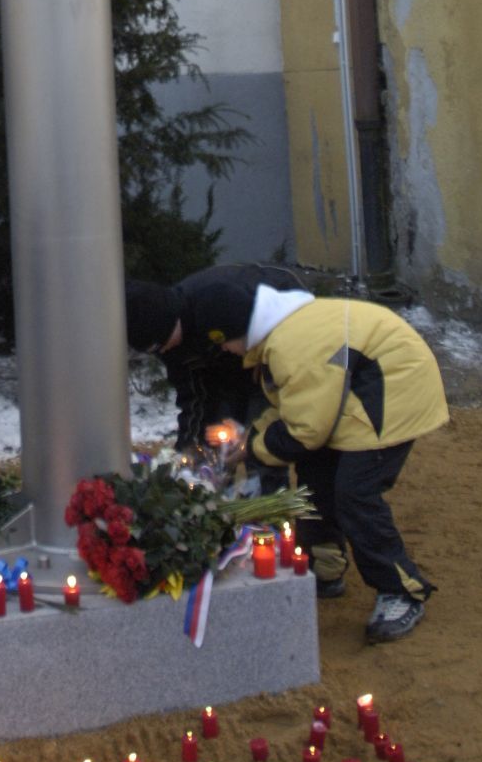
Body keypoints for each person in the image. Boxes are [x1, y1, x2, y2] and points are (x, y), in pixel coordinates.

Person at [178, 267, 448, 644]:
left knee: (354, 494)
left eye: (221, 342)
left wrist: (250, 449)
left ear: (236, 331)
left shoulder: (292, 345)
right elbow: (294, 406)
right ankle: (325, 565)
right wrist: (250, 438)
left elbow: (306, 429)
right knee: (314, 478)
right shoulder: (277, 338)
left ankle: (402, 590)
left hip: (390, 398)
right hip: (359, 394)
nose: (222, 351)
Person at [125, 263, 310, 477]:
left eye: (158, 346)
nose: (162, 351)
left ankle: (267, 489)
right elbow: (194, 396)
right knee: (220, 435)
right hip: (233, 372)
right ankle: (215, 486)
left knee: (260, 432)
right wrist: (188, 452)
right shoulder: (171, 344)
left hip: (273, 356)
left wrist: (248, 442)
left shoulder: (219, 304)